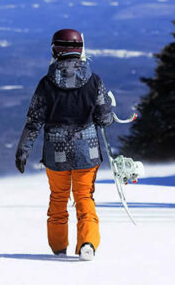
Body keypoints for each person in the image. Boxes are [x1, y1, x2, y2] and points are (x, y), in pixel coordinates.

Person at [15, 28, 113, 261]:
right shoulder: (95, 81)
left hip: (55, 151)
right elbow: (104, 119)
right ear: (80, 49)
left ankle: (58, 247)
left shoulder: (46, 84)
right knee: (84, 197)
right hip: (87, 151)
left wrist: (23, 150)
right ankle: (87, 242)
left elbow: (34, 121)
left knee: (58, 198)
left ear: (55, 49)